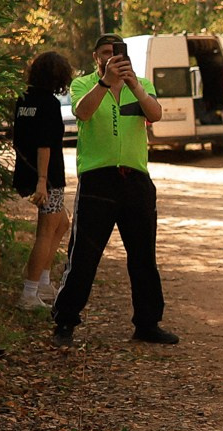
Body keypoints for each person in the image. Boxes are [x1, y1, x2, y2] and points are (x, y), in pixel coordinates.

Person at [51, 35, 176, 347]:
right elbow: (82, 113)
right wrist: (105, 83)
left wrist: (134, 86)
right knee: (83, 255)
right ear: (96, 57)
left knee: (143, 256)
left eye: (116, 52)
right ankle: (65, 321)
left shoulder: (142, 83)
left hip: (136, 180)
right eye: (105, 53)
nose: (111, 58)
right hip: (98, 179)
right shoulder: (84, 85)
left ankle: (147, 324)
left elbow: (156, 114)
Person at [11, 50, 72, 309]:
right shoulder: (49, 103)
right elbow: (45, 144)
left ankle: (44, 282)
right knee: (46, 232)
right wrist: (43, 181)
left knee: (62, 224)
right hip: (47, 177)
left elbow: (19, 139)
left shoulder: (23, 100)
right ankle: (29, 293)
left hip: (28, 172)